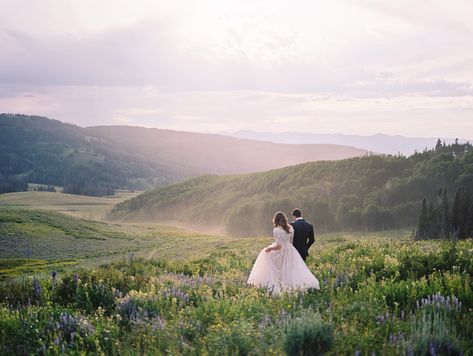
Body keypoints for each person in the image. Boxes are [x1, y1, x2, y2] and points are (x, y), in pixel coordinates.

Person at [247, 211, 320, 294]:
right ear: (285, 219)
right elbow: (291, 242)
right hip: (291, 250)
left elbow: (279, 246)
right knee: (292, 269)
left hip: (282, 251)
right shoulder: (290, 229)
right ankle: (294, 285)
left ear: (276, 220)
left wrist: (270, 249)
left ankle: (272, 284)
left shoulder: (276, 230)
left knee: (265, 254)